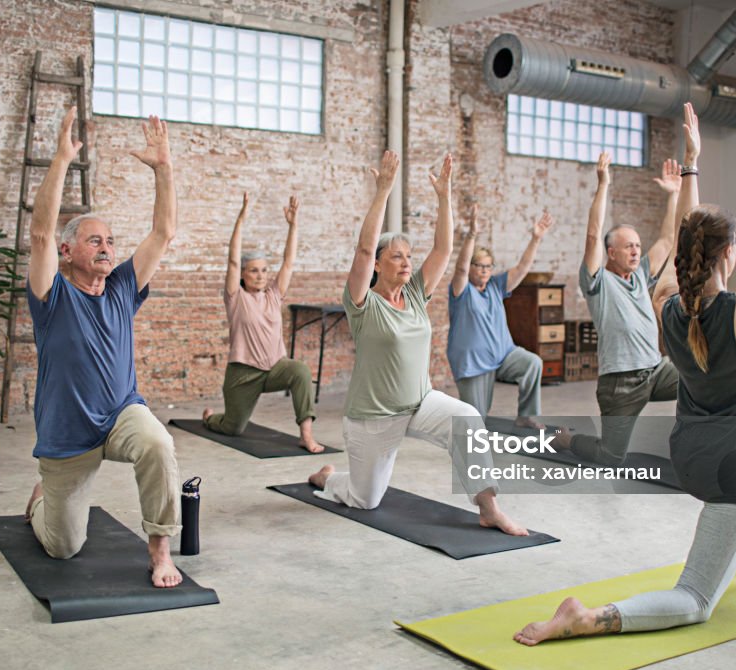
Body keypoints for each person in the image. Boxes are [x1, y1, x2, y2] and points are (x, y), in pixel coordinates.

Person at [515, 92, 736, 646]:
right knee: (695, 600)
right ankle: (584, 617)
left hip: (687, 454)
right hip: (726, 473)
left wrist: (693, 161)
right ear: (728, 255)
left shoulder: (667, 305)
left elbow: (722, 228)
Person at [308, 151, 526, 535]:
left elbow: (442, 250)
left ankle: (488, 506)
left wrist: (443, 196)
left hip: (420, 402)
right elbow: (362, 249)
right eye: (396, 257)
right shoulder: (362, 301)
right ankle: (328, 478)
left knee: (467, 420)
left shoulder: (415, 294)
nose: (407, 262)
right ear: (377, 265)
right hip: (373, 415)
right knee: (365, 499)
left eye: (408, 256)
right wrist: (384, 191)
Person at [23, 107, 183, 588]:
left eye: (111, 241)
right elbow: (40, 233)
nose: (108, 248)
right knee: (63, 547)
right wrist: (59, 160)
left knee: (158, 442)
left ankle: (160, 549)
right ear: (69, 252)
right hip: (66, 432)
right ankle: (39, 502)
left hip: (120, 414)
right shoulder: (52, 295)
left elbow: (163, 233)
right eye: (95, 240)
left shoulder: (121, 288)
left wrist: (163, 168)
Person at [555, 152, 682, 465]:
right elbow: (593, 234)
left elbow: (667, 239)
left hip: (657, 370)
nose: (637, 250)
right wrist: (603, 185)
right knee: (611, 457)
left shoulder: (640, 276)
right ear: (610, 253)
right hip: (620, 384)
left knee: (704, 377)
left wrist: (674, 194)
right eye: (629, 246)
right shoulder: (598, 283)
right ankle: (566, 438)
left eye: (638, 245)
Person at [202, 192, 324, 453]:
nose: (260, 276)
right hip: (243, 374)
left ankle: (306, 434)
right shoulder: (236, 297)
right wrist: (241, 219)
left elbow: (288, 263)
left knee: (300, 370)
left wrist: (293, 226)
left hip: (275, 368)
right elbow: (233, 260)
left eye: (264, 270)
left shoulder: (273, 295)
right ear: (244, 275)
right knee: (232, 428)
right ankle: (211, 418)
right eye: (254, 270)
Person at [447, 203, 554, 424]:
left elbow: (522, 268)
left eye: (488, 266)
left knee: (532, 363)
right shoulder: (461, 290)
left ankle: (526, 417)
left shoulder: (496, 286)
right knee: (476, 419)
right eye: (479, 266)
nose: (485, 270)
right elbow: (460, 269)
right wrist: (472, 234)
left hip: (503, 355)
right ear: (471, 268)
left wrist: (536, 239)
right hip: (473, 364)